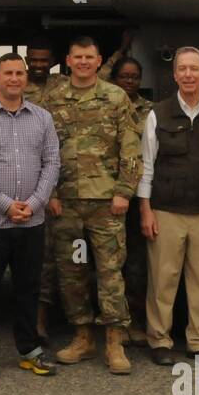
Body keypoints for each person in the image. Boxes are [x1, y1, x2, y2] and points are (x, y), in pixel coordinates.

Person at [0, 53, 60, 378]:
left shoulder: (43, 118)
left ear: (25, 78)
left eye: (19, 73)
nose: (14, 78)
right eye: (8, 73)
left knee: (28, 287)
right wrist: (5, 204)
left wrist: (35, 202)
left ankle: (29, 349)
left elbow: (52, 163)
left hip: (32, 219)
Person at [138, 46, 199, 366]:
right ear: (175, 74)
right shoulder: (158, 113)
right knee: (163, 279)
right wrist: (145, 209)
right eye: (182, 69)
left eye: (194, 69)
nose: (188, 74)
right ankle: (160, 340)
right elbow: (146, 165)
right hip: (166, 210)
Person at [47, 36, 141, 374]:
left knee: (110, 271)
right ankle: (83, 336)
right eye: (78, 57)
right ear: (69, 61)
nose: (84, 62)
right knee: (74, 271)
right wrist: (51, 193)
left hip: (105, 204)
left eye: (89, 57)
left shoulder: (115, 97)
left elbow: (131, 150)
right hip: (67, 205)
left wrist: (123, 192)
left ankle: (114, 341)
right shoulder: (53, 98)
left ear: (99, 60)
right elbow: (45, 151)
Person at [23, 39, 67, 339]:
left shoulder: (64, 85)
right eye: (33, 59)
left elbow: (100, 77)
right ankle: (36, 318)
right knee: (40, 258)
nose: (38, 64)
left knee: (63, 256)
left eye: (43, 59)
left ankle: (65, 316)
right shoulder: (18, 84)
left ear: (52, 60)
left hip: (62, 177)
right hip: (26, 177)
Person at [109, 56, 153, 347]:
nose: (129, 81)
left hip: (137, 195)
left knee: (136, 263)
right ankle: (111, 322)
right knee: (109, 263)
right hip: (107, 193)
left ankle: (134, 319)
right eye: (123, 76)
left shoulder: (150, 111)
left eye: (134, 76)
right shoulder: (107, 102)